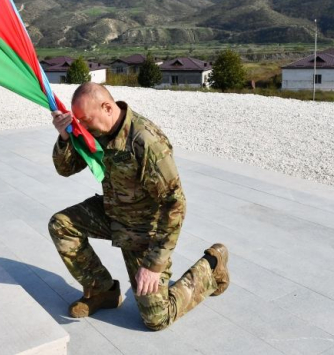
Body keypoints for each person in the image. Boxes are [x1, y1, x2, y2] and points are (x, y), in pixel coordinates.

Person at [48, 82, 229, 331]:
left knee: (156, 318)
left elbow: (175, 204)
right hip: (113, 212)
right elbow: (65, 169)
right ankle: (103, 291)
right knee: (61, 225)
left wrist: (154, 265)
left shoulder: (145, 142)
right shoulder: (95, 129)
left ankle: (211, 267)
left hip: (145, 231)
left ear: (107, 107)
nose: (81, 126)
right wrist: (65, 137)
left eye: (84, 120)